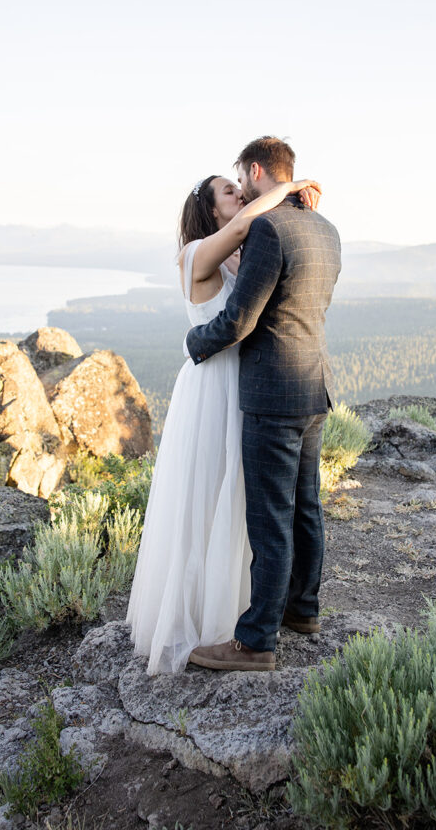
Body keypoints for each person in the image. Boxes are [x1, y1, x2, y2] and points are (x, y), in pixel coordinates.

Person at [126, 166, 322, 675]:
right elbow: (239, 233)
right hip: (211, 387)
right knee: (208, 496)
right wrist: (281, 190)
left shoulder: (235, 253)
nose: (239, 196)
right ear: (212, 211)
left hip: (246, 385)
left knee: (243, 500)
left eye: (240, 188)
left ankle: (245, 607)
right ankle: (200, 614)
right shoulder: (197, 252)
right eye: (229, 192)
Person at [187, 136, 341, 673]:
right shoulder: (327, 229)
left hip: (272, 395)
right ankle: (304, 610)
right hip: (313, 388)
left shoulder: (268, 229)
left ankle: (255, 642)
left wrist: (195, 345)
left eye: (240, 178)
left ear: (255, 172)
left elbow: (241, 319)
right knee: (306, 507)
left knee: (270, 517)